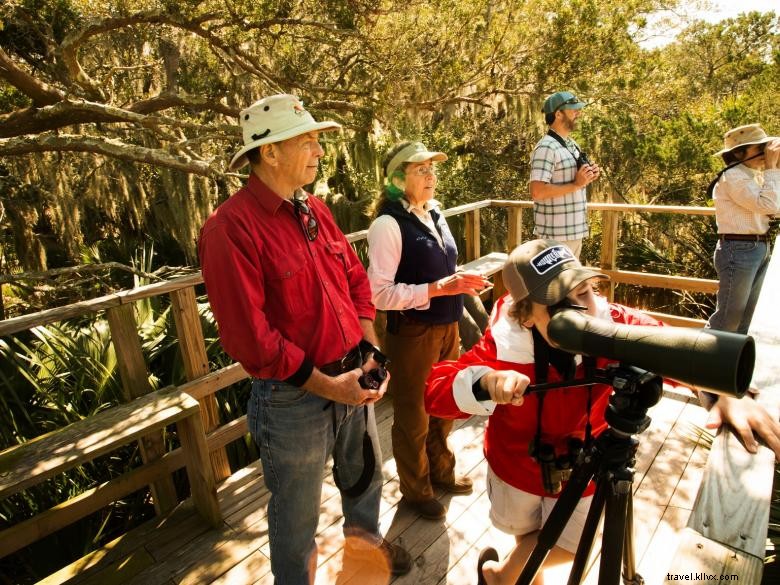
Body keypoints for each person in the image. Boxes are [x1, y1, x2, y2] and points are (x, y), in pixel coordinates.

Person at [424, 239, 780, 585]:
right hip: (515, 465)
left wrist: (722, 392)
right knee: (528, 537)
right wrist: (485, 381)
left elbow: (674, 348)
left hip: (586, 463)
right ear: (526, 316)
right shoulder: (503, 344)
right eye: (560, 303)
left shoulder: (614, 323)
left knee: (569, 542)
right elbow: (435, 393)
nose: (583, 310)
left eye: (585, 292)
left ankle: (499, 576)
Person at [198, 94, 411, 584]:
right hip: (292, 400)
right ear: (269, 152)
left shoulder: (313, 208)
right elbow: (252, 340)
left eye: (318, 140)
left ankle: (364, 556)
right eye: (308, 140)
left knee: (365, 479)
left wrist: (368, 347)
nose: (320, 151)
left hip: (353, 376)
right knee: (297, 515)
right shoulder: (229, 229)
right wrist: (328, 385)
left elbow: (355, 280)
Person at [366, 141, 490, 520]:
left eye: (432, 168)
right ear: (397, 178)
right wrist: (438, 289)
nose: (431, 175)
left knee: (444, 403)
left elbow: (442, 267)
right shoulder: (387, 225)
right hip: (413, 333)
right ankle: (416, 490)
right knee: (412, 415)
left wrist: (462, 281)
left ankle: (441, 471)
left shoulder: (435, 211)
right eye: (421, 169)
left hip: (446, 326)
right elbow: (379, 294)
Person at [706, 123, 780, 334]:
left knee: (747, 318)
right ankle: (702, 362)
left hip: (757, 248)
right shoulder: (733, 176)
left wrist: (775, 171)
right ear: (739, 153)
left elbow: (775, 209)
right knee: (728, 320)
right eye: (760, 148)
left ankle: (732, 365)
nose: (765, 153)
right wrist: (773, 169)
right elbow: (769, 205)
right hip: (738, 250)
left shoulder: (752, 175)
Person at [529, 91, 601, 258]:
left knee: (570, 284)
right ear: (558, 114)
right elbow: (537, 192)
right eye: (573, 109)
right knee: (557, 284)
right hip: (555, 238)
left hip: (573, 233)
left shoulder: (570, 143)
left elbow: (575, 181)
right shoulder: (546, 147)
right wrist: (576, 185)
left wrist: (588, 175)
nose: (578, 113)